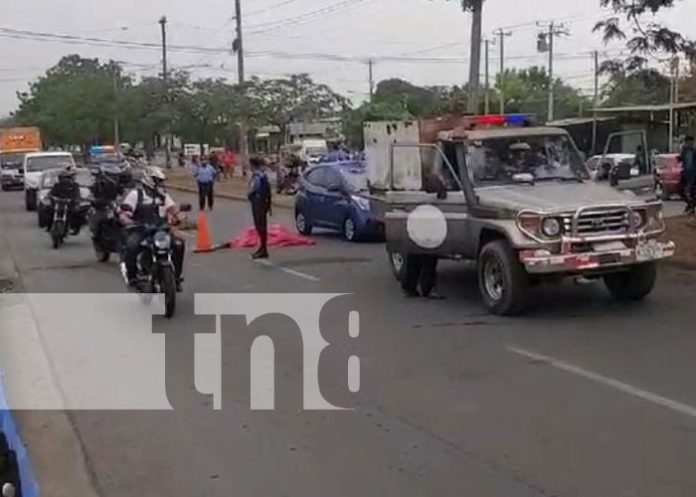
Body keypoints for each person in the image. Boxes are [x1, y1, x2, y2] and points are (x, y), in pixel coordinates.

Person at [119, 167, 185, 291]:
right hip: (140, 229)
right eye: (157, 181)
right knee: (131, 246)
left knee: (178, 244)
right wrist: (126, 220)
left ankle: (176, 276)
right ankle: (132, 277)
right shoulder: (135, 194)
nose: (160, 183)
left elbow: (172, 208)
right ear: (149, 180)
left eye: (160, 181)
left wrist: (179, 216)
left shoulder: (162, 194)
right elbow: (125, 212)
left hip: (160, 229)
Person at [247, 155, 272, 259]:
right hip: (262, 202)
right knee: (261, 225)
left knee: (260, 225)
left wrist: (249, 195)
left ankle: (263, 249)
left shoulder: (257, 176)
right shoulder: (262, 175)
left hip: (258, 202)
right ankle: (262, 248)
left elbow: (254, 188)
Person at [47, 169, 83, 235]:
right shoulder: (57, 185)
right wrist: (51, 197)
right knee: (49, 211)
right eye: (61, 178)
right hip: (59, 204)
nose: (62, 179)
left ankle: (74, 228)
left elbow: (77, 194)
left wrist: (76, 200)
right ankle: (49, 227)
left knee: (76, 214)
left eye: (64, 178)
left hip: (70, 205)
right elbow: (51, 193)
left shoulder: (74, 185)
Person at [678, 136, 696, 214]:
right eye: (686, 142)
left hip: (694, 175)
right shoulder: (684, 151)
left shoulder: (694, 151)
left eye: (689, 142)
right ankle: (690, 204)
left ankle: (691, 206)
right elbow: (681, 159)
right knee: (680, 190)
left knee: (693, 192)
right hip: (685, 174)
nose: (687, 144)